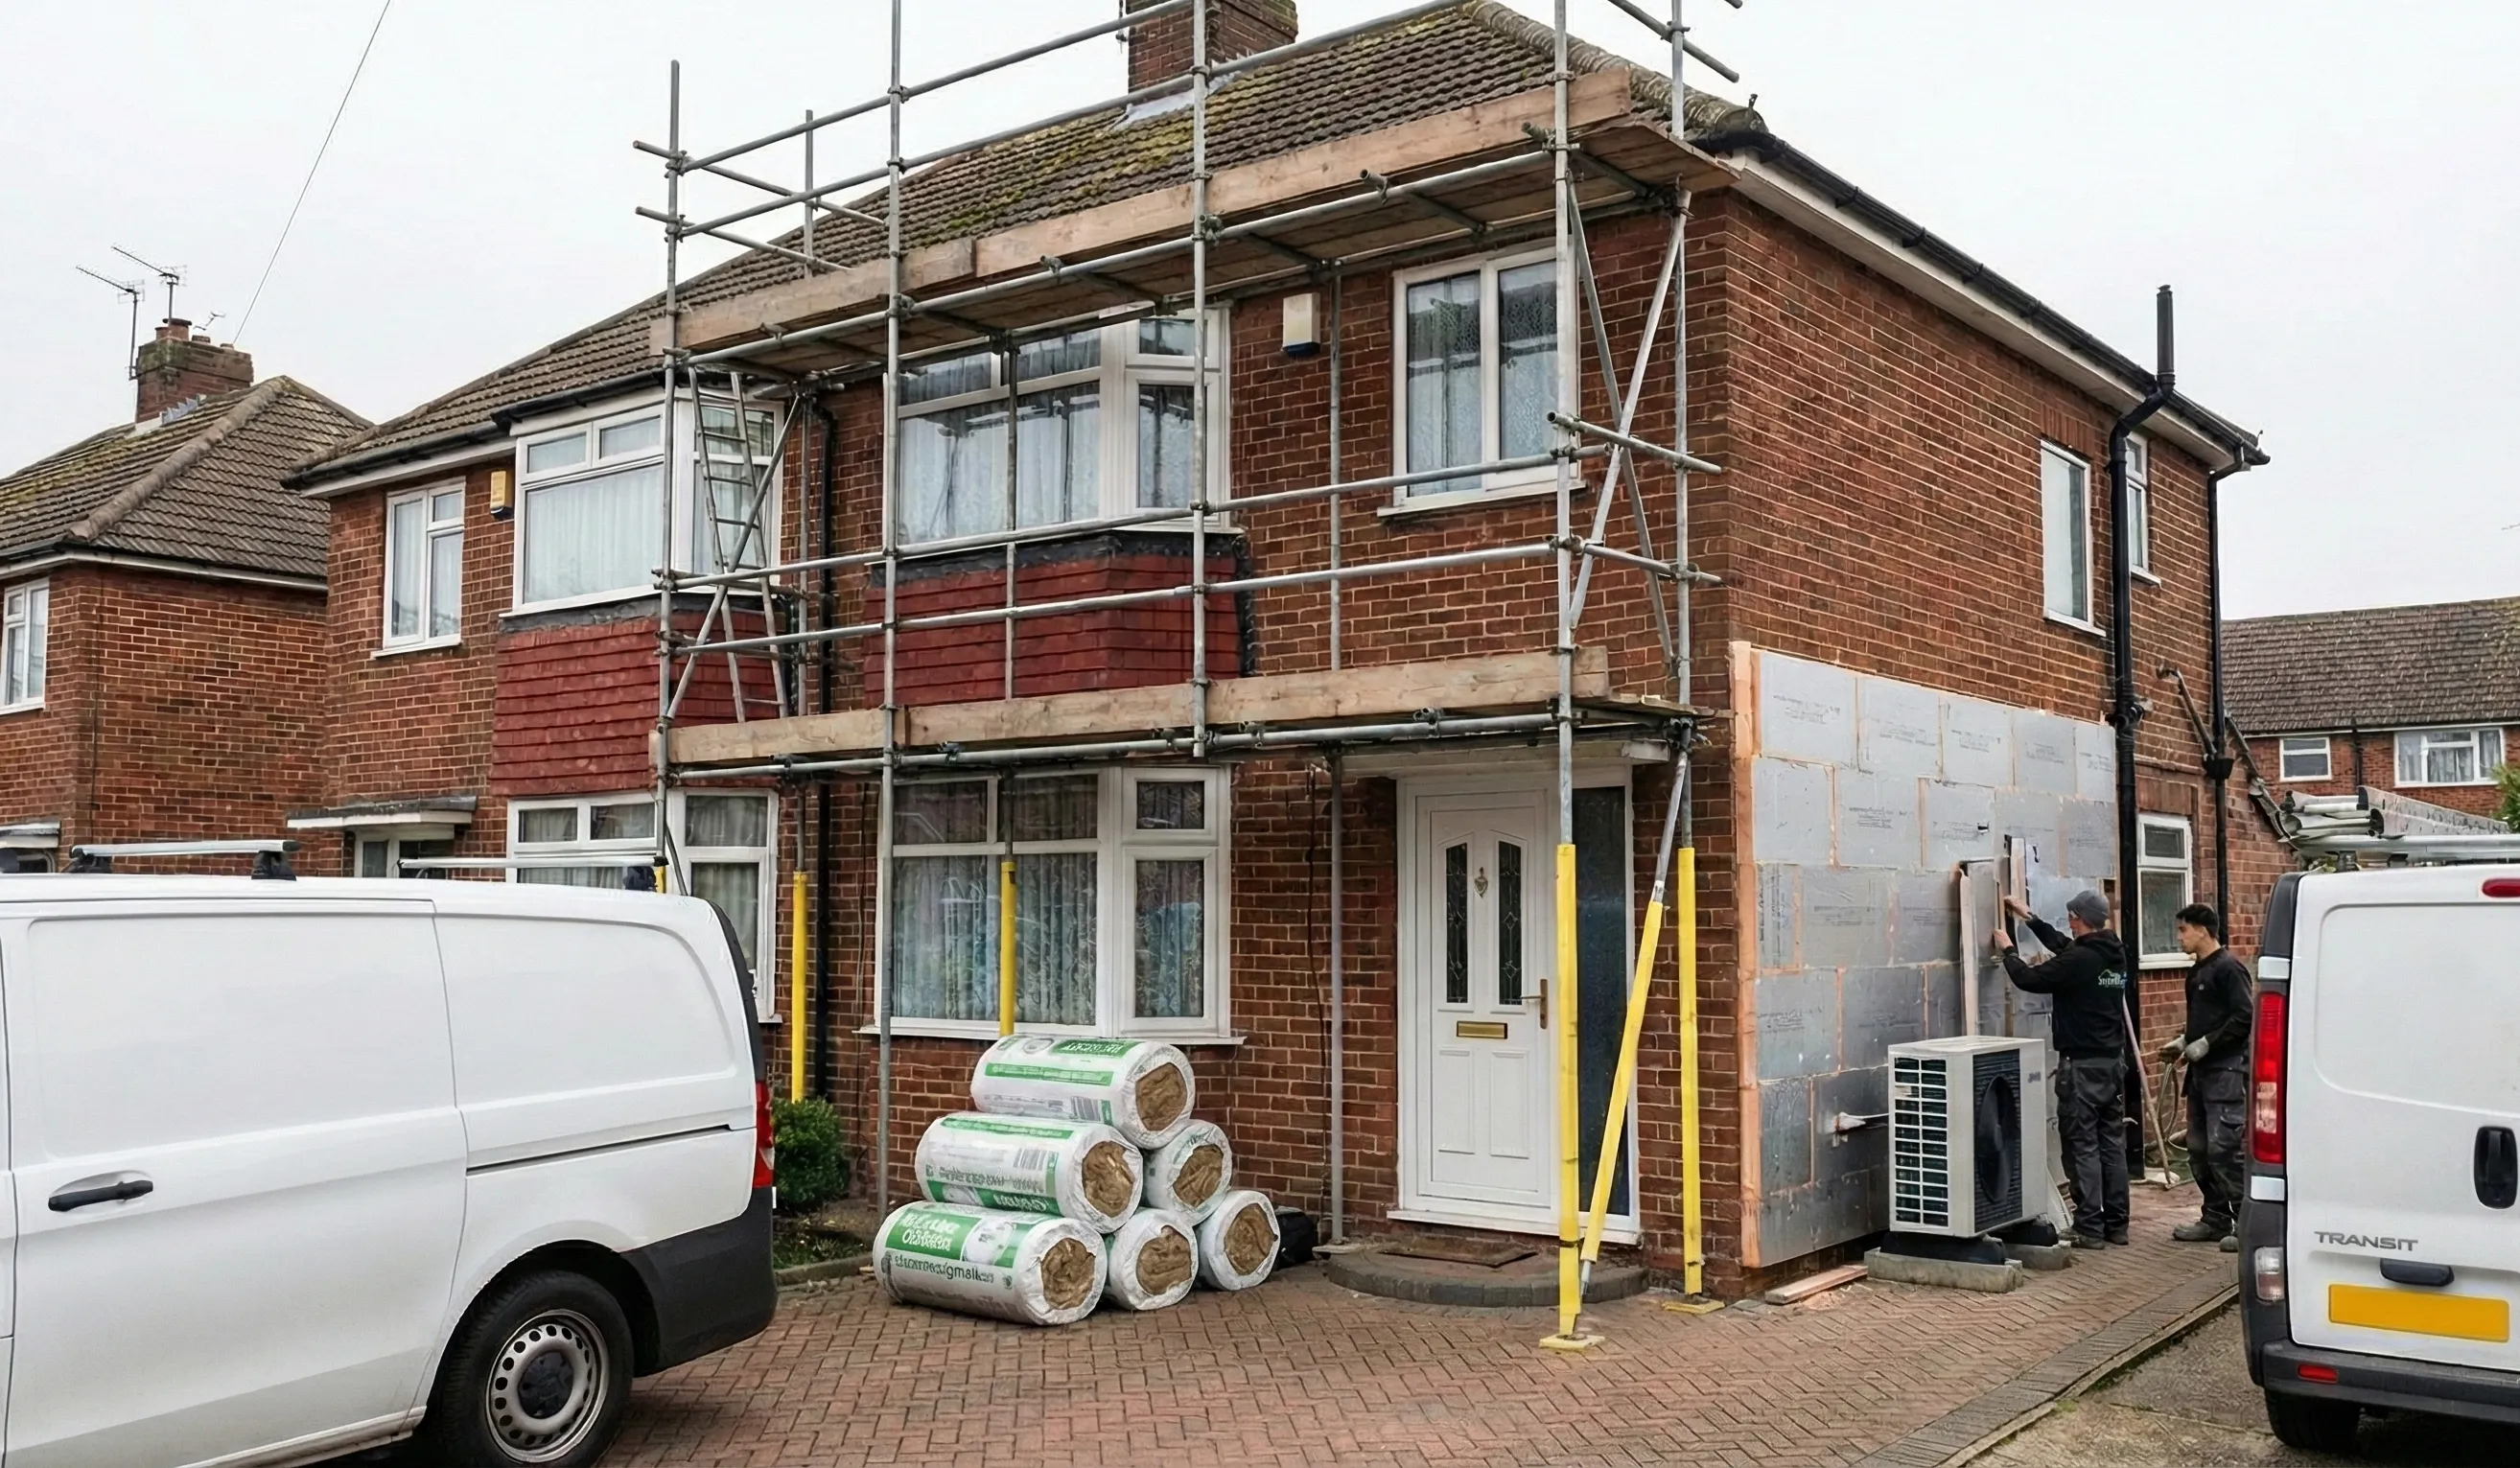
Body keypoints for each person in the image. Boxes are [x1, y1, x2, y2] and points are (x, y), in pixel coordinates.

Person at [1992, 889, 2130, 1248]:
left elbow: (2030, 979)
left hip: (2081, 1067)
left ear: (2075, 917)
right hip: (2111, 1063)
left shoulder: (2081, 960)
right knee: (2110, 1143)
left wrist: (2008, 950)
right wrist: (2029, 917)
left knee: (2082, 1144)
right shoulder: (2113, 952)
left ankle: (2088, 1228)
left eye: (2070, 916)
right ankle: (2116, 1225)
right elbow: (2066, 949)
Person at [2161, 902, 2252, 1251]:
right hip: (2201, 1075)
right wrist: (2185, 1039)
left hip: (2226, 1074)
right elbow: (2207, 1018)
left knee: (2224, 1148)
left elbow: (2244, 1018)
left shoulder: (2229, 969)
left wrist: (2207, 1044)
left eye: (2183, 930)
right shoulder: (2196, 972)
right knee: (2198, 1149)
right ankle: (2214, 1218)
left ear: (2202, 930)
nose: (2179, 937)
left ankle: (2247, 1221)